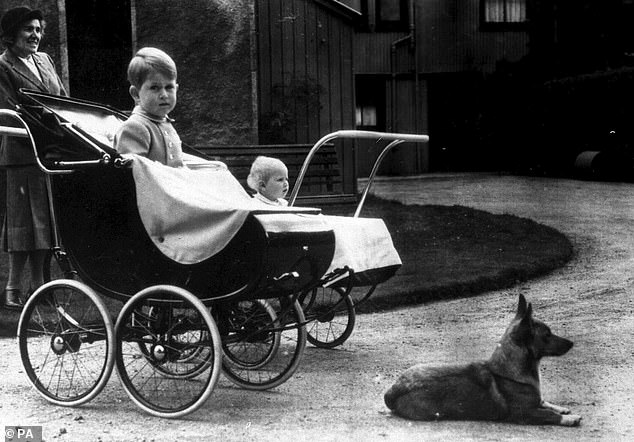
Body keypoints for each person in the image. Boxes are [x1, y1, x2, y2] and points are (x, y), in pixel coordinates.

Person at [0, 6, 66, 310]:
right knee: (22, 223)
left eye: (39, 29)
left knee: (44, 223)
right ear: (12, 34)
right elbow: (11, 112)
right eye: (29, 30)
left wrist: (66, 127)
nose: (36, 35)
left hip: (50, 152)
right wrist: (49, 128)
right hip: (22, 152)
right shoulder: (4, 66)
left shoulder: (44, 60)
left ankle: (40, 287)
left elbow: (61, 99)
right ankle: (13, 288)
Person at [114, 47, 185, 168]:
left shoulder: (164, 122)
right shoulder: (135, 127)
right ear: (136, 94)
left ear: (176, 89)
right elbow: (136, 174)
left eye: (169, 87)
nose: (164, 95)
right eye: (154, 88)